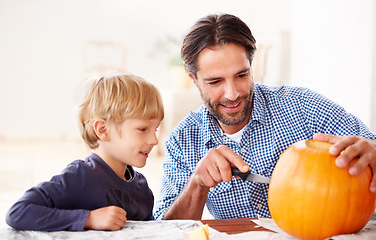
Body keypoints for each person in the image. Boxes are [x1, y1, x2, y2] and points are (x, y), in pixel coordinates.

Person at [153, 13, 376, 220]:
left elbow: (369, 147)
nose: (232, 94)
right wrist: (197, 184)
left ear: (252, 66)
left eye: (242, 75)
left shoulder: (303, 106)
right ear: (193, 79)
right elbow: (165, 230)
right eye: (215, 81)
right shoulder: (182, 141)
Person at [6, 73, 164, 231]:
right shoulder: (79, 176)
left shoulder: (142, 188)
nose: (154, 140)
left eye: (155, 129)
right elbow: (18, 212)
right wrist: (88, 219)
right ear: (103, 130)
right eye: (143, 129)